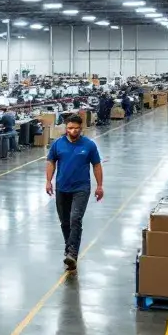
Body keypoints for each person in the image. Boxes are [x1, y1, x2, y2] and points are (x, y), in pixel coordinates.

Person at [46, 114, 103, 270]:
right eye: (70, 128)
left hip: (81, 188)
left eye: (77, 128)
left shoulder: (89, 145)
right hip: (62, 188)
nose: (73, 131)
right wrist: (48, 181)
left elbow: (97, 165)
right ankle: (69, 247)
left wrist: (99, 186)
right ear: (66, 127)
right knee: (65, 222)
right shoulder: (58, 144)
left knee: (75, 219)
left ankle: (72, 253)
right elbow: (51, 162)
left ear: (81, 128)